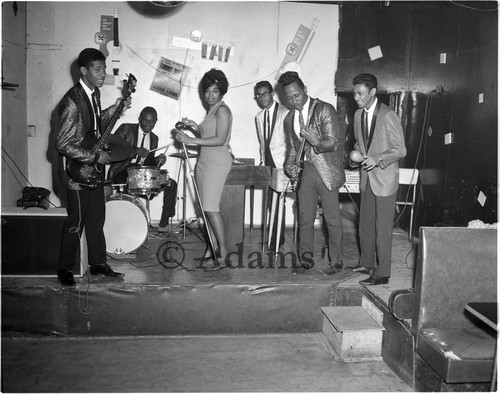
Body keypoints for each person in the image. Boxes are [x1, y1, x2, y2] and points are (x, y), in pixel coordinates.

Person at [55, 48, 129, 286]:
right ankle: (65, 268)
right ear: (84, 70)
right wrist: (95, 158)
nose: (103, 73)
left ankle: (97, 263)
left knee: (96, 219)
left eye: (104, 68)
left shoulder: (94, 94)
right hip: (75, 173)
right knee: (76, 222)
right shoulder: (71, 102)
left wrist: (115, 109)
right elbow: (63, 144)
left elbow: (94, 127)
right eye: (98, 69)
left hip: (92, 172)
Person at [278, 71, 345, 275]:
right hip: (306, 171)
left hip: (327, 170)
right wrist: (289, 165)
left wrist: (317, 143)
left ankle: (336, 261)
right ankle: (305, 260)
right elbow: (291, 146)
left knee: (332, 219)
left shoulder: (325, 109)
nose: (293, 101)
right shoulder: (290, 117)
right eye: (288, 98)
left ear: (305, 90)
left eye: (296, 95)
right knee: (304, 217)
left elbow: (333, 142)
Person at [346, 73, 407, 286]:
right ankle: (366, 263)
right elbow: (358, 144)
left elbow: (401, 150)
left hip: (385, 179)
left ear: (373, 92)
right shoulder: (357, 115)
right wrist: (355, 159)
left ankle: (382, 273)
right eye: (354, 93)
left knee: (382, 229)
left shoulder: (389, 115)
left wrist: (378, 158)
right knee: (365, 224)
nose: (356, 97)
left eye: (360, 93)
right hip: (367, 178)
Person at [175, 68, 232, 271]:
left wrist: (191, 139)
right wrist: (194, 127)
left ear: (221, 91)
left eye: (214, 91)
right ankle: (213, 248)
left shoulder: (223, 110)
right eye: (207, 91)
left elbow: (220, 139)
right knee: (205, 207)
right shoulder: (212, 110)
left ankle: (224, 254)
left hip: (217, 162)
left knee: (211, 208)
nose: (210, 95)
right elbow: (208, 133)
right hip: (204, 161)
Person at [107, 106, 178, 232]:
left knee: (171, 183)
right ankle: (129, 227)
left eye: (151, 121)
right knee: (127, 186)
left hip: (141, 173)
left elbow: (149, 161)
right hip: (122, 170)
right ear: (140, 119)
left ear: (156, 121)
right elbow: (112, 150)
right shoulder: (126, 128)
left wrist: (158, 161)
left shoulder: (154, 138)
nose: (148, 124)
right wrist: (135, 151)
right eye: (145, 120)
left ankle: (163, 224)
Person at [253, 80, 289, 250]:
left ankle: (278, 238)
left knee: (279, 200)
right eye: (259, 95)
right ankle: (272, 236)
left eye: (265, 93)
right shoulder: (259, 117)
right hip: (267, 163)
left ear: (272, 94)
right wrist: (262, 161)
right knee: (270, 202)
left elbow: (290, 141)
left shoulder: (285, 112)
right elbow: (262, 143)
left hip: (281, 162)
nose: (262, 97)